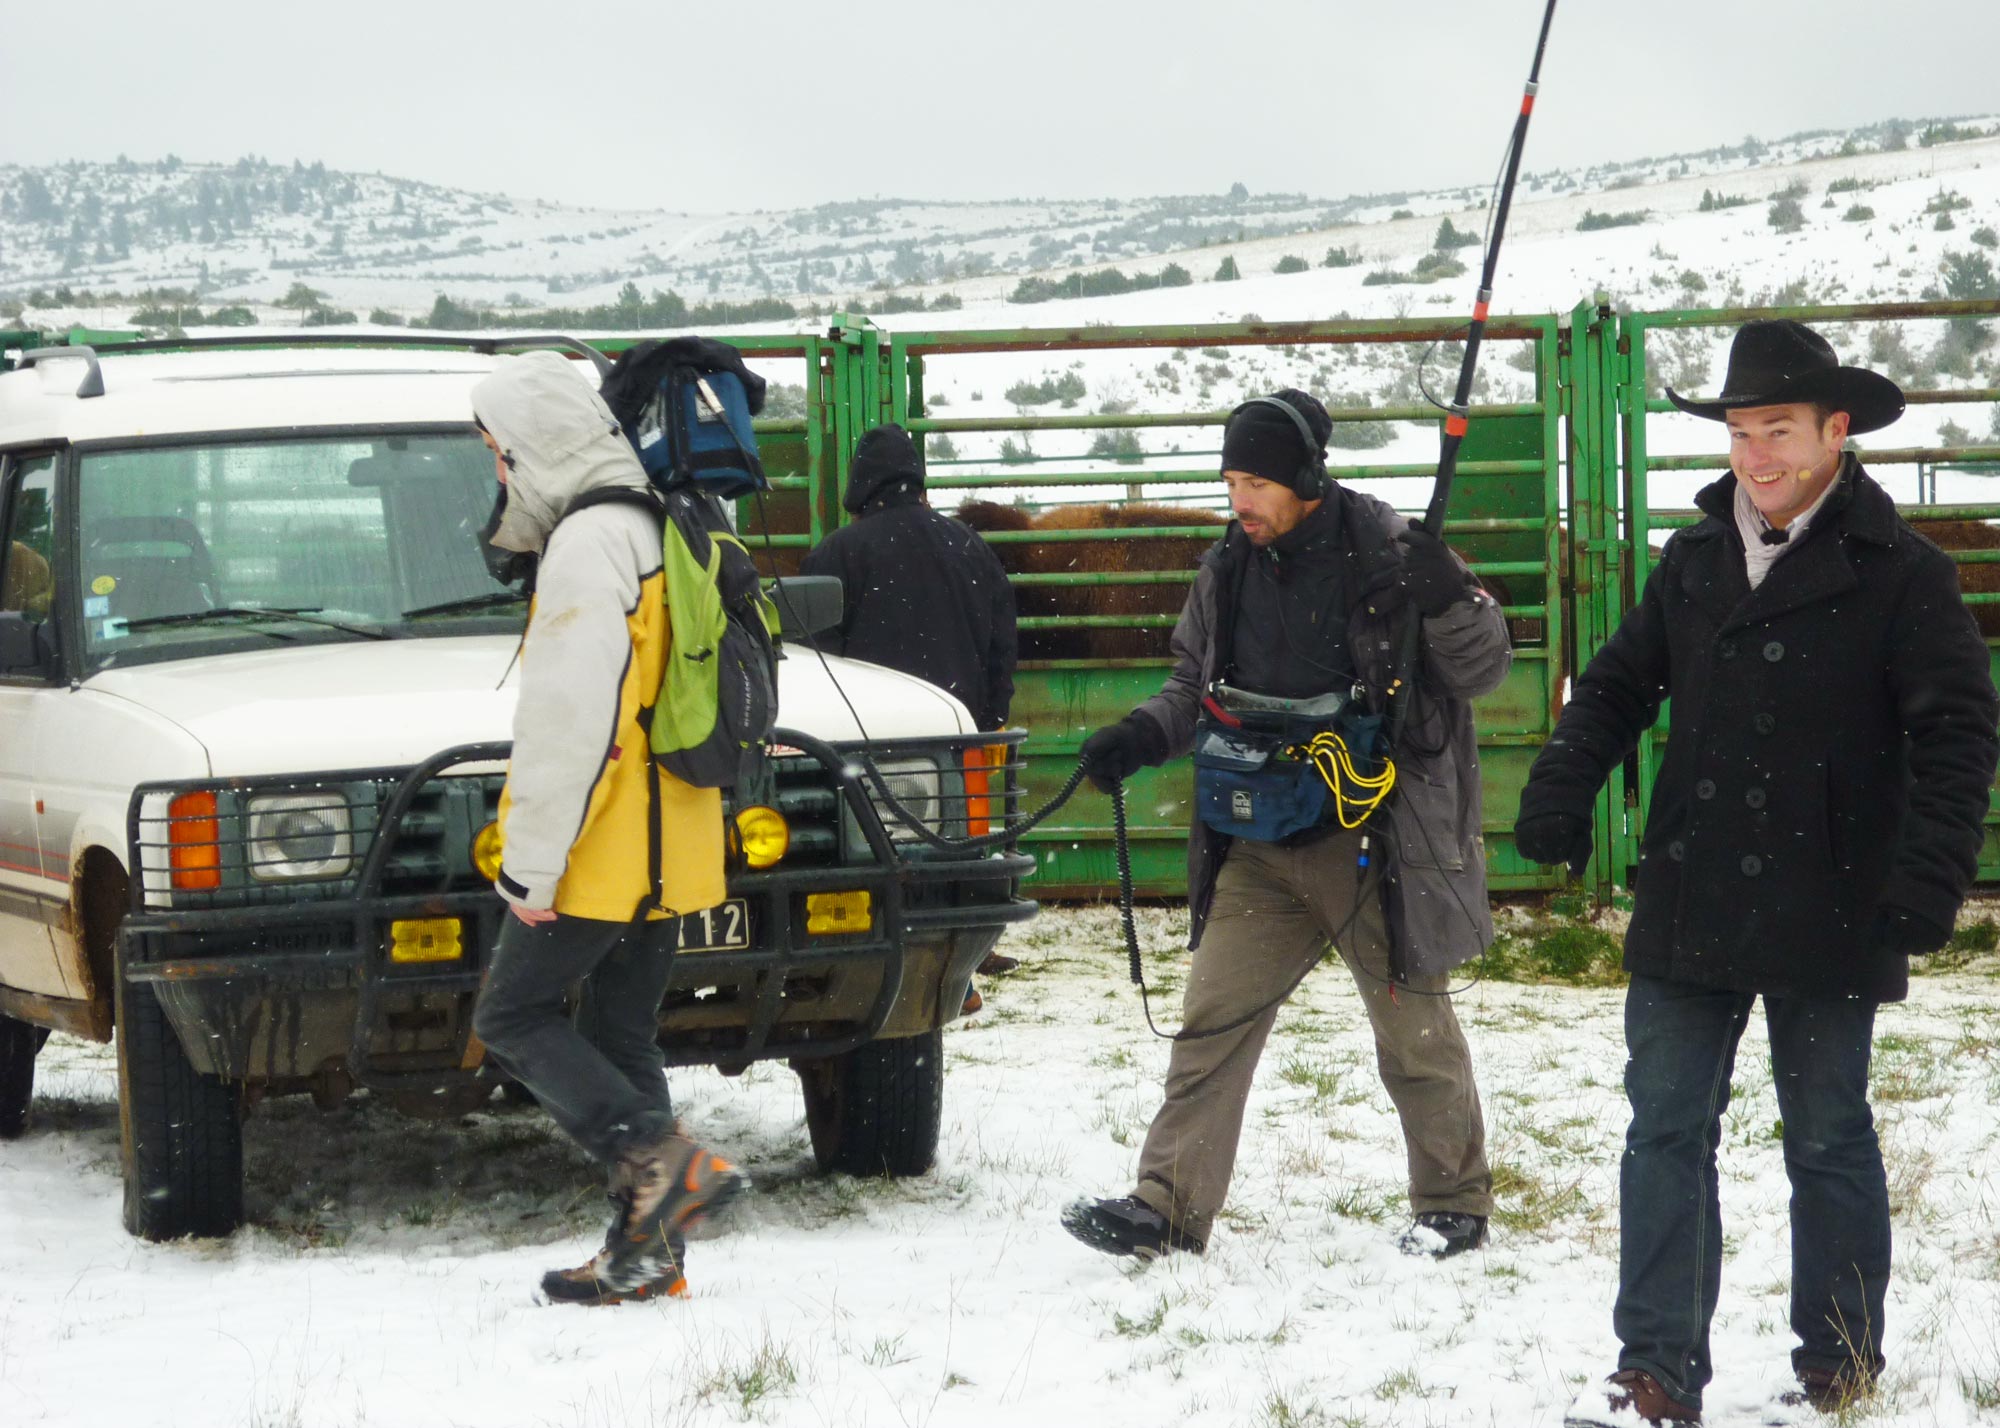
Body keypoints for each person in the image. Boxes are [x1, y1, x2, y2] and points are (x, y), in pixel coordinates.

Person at [1514, 320, 1999, 1426]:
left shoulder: (1903, 573)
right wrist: (1560, 788)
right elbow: (1615, 687)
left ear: (1835, 431)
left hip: (1838, 897)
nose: (1755, 455)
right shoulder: (1689, 563)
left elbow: (1957, 734)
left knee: (1826, 1132)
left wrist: (1928, 874)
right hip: (1691, 890)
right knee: (1662, 1129)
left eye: (1776, 429)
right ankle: (1653, 1373)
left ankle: (1836, 1364)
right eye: (1739, 431)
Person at [1060, 389, 1511, 1262]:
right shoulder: (1226, 567)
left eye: (1258, 481)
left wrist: (1453, 597)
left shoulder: (1391, 553)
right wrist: (1141, 735)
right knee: (1212, 1025)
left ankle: (1455, 1203)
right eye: (1232, 479)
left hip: (1371, 838)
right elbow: (1192, 687)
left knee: (1414, 1036)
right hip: (1259, 839)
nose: (1241, 500)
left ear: (1306, 478)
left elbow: (1483, 668)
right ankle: (1168, 1207)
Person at [467, 351, 748, 1307]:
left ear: (533, 448)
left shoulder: (588, 545)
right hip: (677, 839)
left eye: (501, 454)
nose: (500, 475)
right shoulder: (671, 522)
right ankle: (647, 1256)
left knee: (511, 1017)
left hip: (601, 849)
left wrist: (530, 868)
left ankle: (663, 1169)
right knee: (625, 1036)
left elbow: (568, 723)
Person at [802, 421, 1021, 985]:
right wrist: (989, 716)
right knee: (962, 845)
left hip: (868, 738)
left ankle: (877, 949)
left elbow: (810, 652)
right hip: (958, 729)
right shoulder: (969, 544)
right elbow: (1003, 643)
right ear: (917, 483)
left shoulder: (838, 552)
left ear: (860, 490)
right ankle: (962, 958)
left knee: (873, 850)